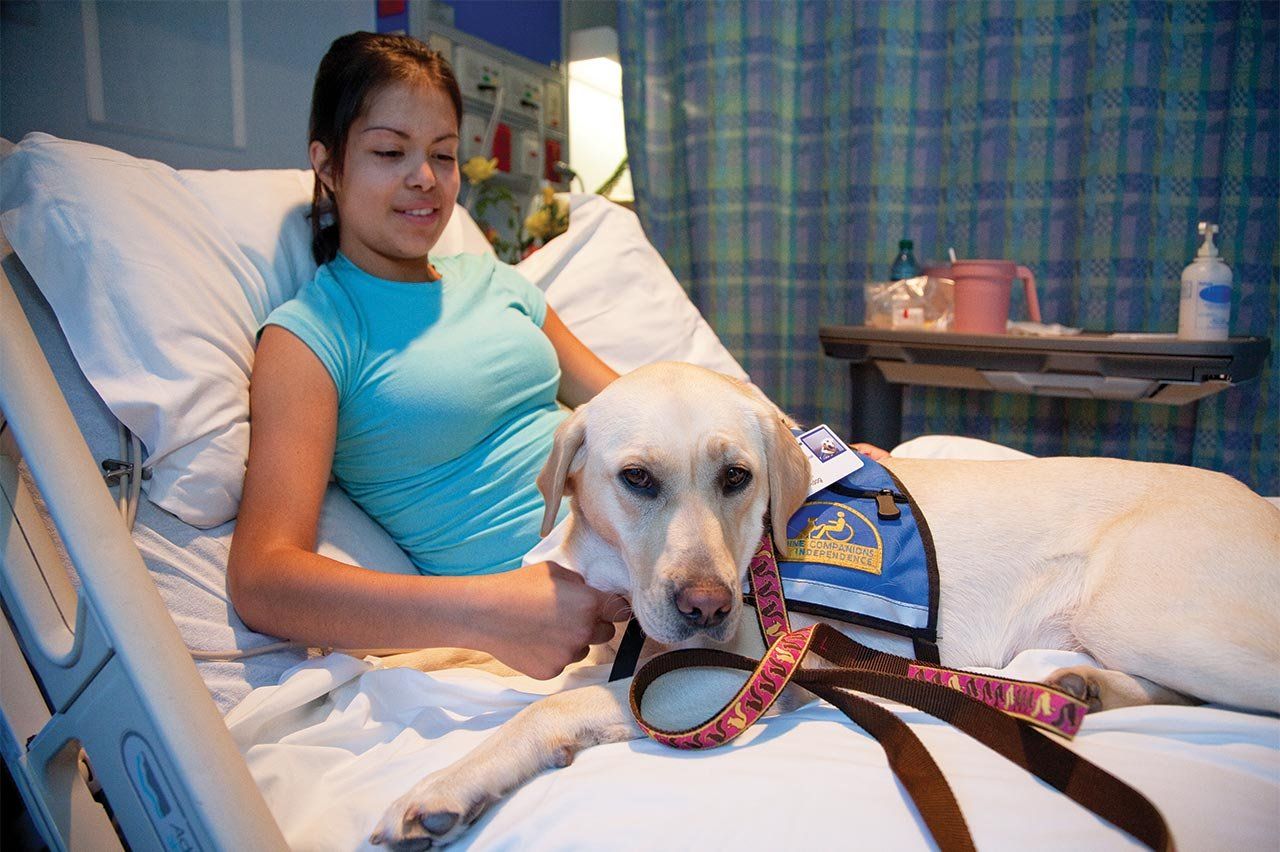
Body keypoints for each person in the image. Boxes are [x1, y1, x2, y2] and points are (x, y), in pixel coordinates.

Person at [228, 32, 624, 680]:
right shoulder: (313, 337)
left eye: (443, 155)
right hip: (569, 611)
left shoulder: (493, 280)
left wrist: (797, 449)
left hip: (670, 532)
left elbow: (626, 403)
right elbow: (264, 580)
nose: (425, 179)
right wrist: (485, 613)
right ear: (327, 166)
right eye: (390, 151)